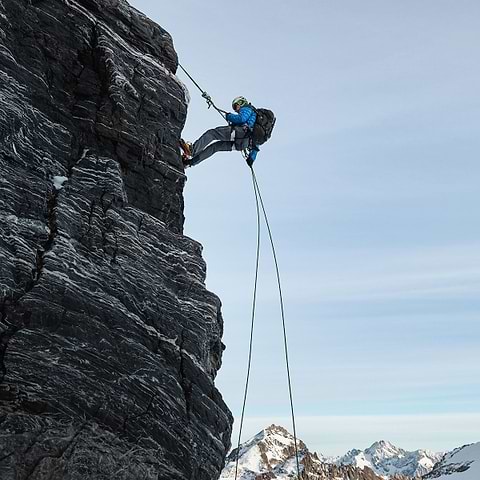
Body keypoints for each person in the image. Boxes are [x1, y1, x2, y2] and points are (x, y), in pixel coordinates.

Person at [182, 96, 259, 168]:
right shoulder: (256, 123)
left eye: (235, 106)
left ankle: (193, 150)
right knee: (215, 147)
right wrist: (251, 158)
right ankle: (190, 162)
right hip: (242, 144)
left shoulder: (247, 108)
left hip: (240, 133)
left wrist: (229, 116)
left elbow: (241, 118)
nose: (236, 110)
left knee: (212, 133)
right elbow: (257, 143)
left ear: (241, 102)